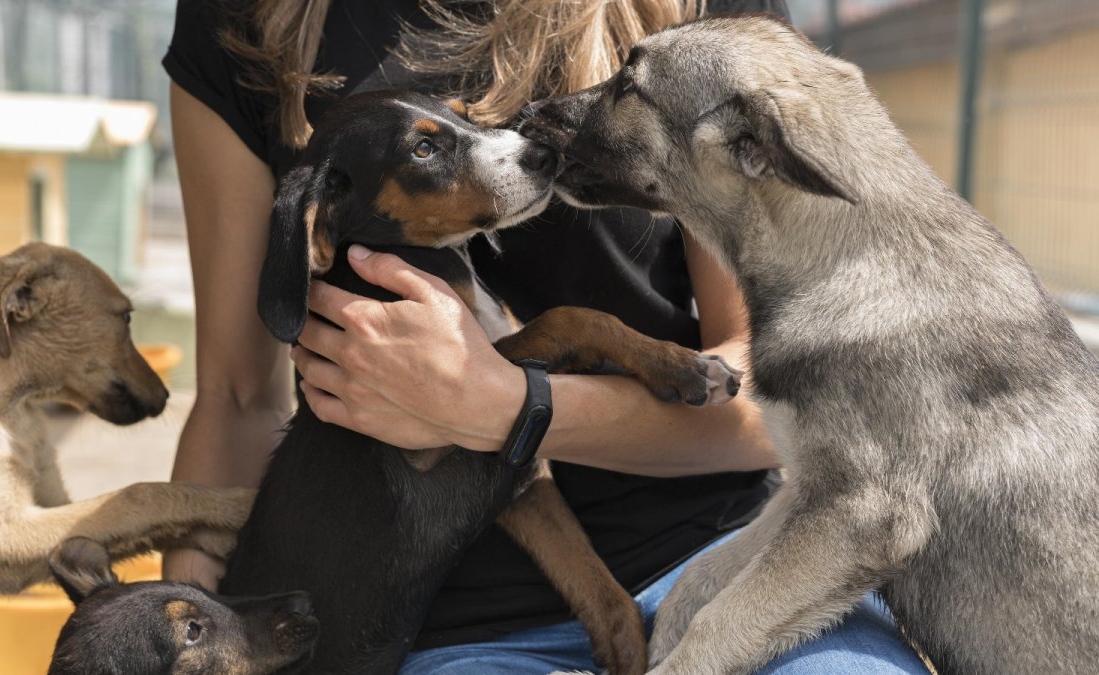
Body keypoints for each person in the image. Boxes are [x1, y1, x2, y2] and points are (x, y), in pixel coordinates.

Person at [162, 0, 928, 671]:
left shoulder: (697, 17)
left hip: (721, 564)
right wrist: (179, 642)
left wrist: (509, 407)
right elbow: (236, 399)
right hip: (450, 633)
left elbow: (786, 390)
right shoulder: (246, 20)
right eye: (431, 145)